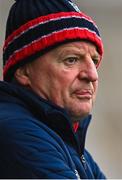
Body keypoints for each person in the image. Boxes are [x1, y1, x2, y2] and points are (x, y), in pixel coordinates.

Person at [0, 0, 106, 179]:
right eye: (71, 60)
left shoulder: (70, 145)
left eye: (94, 61)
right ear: (23, 71)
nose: (92, 75)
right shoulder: (19, 132)